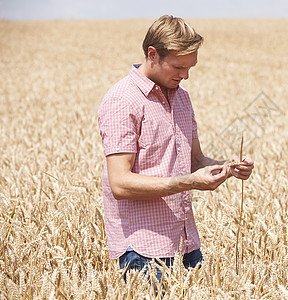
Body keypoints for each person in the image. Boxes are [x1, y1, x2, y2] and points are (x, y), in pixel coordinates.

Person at [97, 15, 254, 284]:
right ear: (153, 54)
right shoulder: (122, 100)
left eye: (191, 67)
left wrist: (229, 168)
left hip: (185, 242)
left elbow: (194, 160)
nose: (186, 75)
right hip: (143, 249)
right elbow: (120, 183)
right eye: (179, 67)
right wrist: (189, 182)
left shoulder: (181, 97)